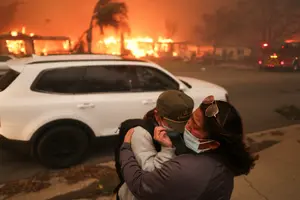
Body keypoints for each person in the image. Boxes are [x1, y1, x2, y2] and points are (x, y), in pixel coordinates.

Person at [120, 96, 258, 200]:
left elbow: (140, 185)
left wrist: (125, 148)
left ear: (213, 143)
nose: (187, 127)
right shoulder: (225, 160)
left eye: (195, 126)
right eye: (190, 119)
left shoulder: (186, 169)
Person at [117, 90, 194, 200]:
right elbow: (151, 174)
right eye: (173, 125)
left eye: (184, 124)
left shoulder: (183, 129)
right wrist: (167, 149)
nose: (180, 129)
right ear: (158, 116)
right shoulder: (141, 134)